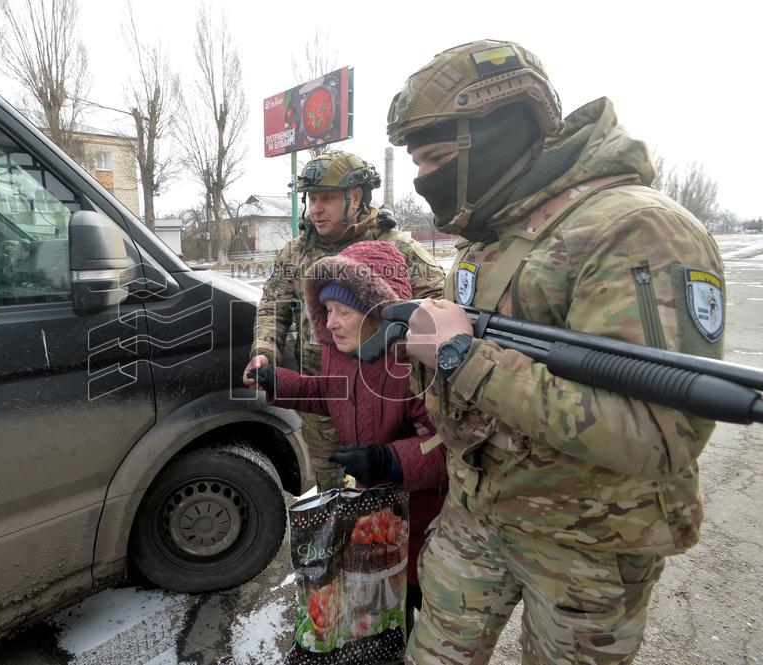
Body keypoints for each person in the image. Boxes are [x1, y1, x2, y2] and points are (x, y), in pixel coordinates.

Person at [386, 40, 726, 665]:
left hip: (586, 544)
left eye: (435, 159)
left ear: (496, 138)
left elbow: (658, 433)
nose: (422, 180)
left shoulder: (636, 230)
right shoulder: (490, 237)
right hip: (478, 514)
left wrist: (463, 357)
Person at [247, 240, 448, 631]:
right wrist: (278, 382)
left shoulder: (415, 368)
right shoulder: (343, 353)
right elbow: (329, 392)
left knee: (427, 613)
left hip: (425, 526)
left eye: (343, 311)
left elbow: (449, 447)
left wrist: (388, 459)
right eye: (327, 311)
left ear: (380, 313)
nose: (331, 321)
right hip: (379, 520)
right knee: (387, 614)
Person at [244, 150, 445, 491]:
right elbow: (272, 305)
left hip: (389, 402)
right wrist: (264, 351)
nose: (315, 209)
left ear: (355, 197)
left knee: (385, 488)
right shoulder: (296, 253)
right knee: (330, 488)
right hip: (321, 395)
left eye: (326, 199)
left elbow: (441, 308)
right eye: (310, 199)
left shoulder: (396, 249)